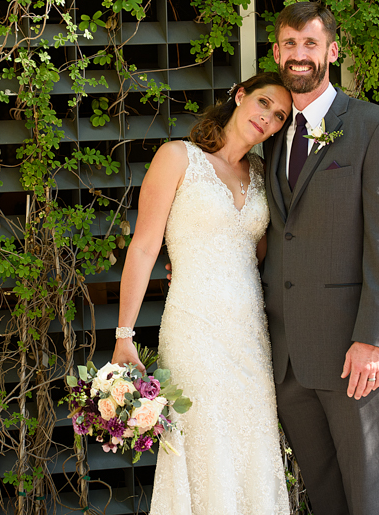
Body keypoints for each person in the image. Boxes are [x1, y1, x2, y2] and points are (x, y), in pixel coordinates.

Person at [111, 72, 293, 515]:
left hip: (250, 335)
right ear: (240, 95)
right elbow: (144, 246)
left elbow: (262, 257)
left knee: (253, 445)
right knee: (204, 441)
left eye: (279, 117)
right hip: (195, 326)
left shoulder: (265, 177)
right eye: (264, 103)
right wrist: (123, 335)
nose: (267, 118)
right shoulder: (177, 158)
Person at [262, 1, 379, 515]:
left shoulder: (374, 127)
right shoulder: (272, 132)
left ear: (332, 50)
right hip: (289, 362)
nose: (298, 55)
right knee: (325, 499)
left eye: (310, 43)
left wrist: (374, 340)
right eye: (289, 43)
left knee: (369, 500)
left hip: (354, 359)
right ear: (276, 51)